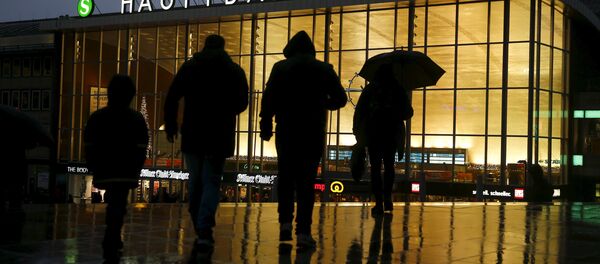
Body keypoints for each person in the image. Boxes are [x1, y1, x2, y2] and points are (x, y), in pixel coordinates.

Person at [260, 31, 347, 248]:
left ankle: (285, 223)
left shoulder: (281, 68)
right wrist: (322, 103)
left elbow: (269, 98)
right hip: (312, 130)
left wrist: (266, 125)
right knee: (307, 181)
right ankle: (304, 231)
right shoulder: (324, 69)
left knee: (286, 176)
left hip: (287, 129)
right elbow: (341, 99)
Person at [164, 35, 249, 250]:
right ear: (223, 48)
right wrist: (225, 109)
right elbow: (242, 102)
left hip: (193, 132)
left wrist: (171, 124)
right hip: (219, 134)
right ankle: (204, 225)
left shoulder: (191, 67)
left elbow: (172, 96)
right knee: (211, 180)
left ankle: (198, 219)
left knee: (195, 179)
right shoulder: (233, 71)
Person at [83, 74, 149, 261]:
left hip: (106, 168)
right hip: (126, 170)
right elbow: (141, 146)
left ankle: (111, 233)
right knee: (119, 202)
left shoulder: (97, 117)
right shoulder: (136, 119)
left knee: (114, 202)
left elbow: (89, 143)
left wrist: (93, 164)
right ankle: (113, 234)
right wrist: (136, 166)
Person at [353, 64, 412, 215]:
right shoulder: (397, 89)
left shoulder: (370, 89)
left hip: (374, 134)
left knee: (375, 168)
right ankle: (387, 199)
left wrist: (358, 131)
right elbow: (408, 112)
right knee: (389, 166)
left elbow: (359, 111)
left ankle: (378, 202)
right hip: (391, 134)